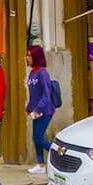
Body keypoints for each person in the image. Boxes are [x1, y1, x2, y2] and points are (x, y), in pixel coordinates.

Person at [25, 45, 55, 175]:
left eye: (29, 55)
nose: (27, 57)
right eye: (27, 55)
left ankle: (58, 153)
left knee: (38, 138)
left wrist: (38, 109)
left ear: (36, 57)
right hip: (35, 112)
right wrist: (29, 108)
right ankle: (40, 164)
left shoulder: (42, 73)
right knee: (36, 137)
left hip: (45, 111)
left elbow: (46, 94)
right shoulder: (32, 72)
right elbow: (33, 94)